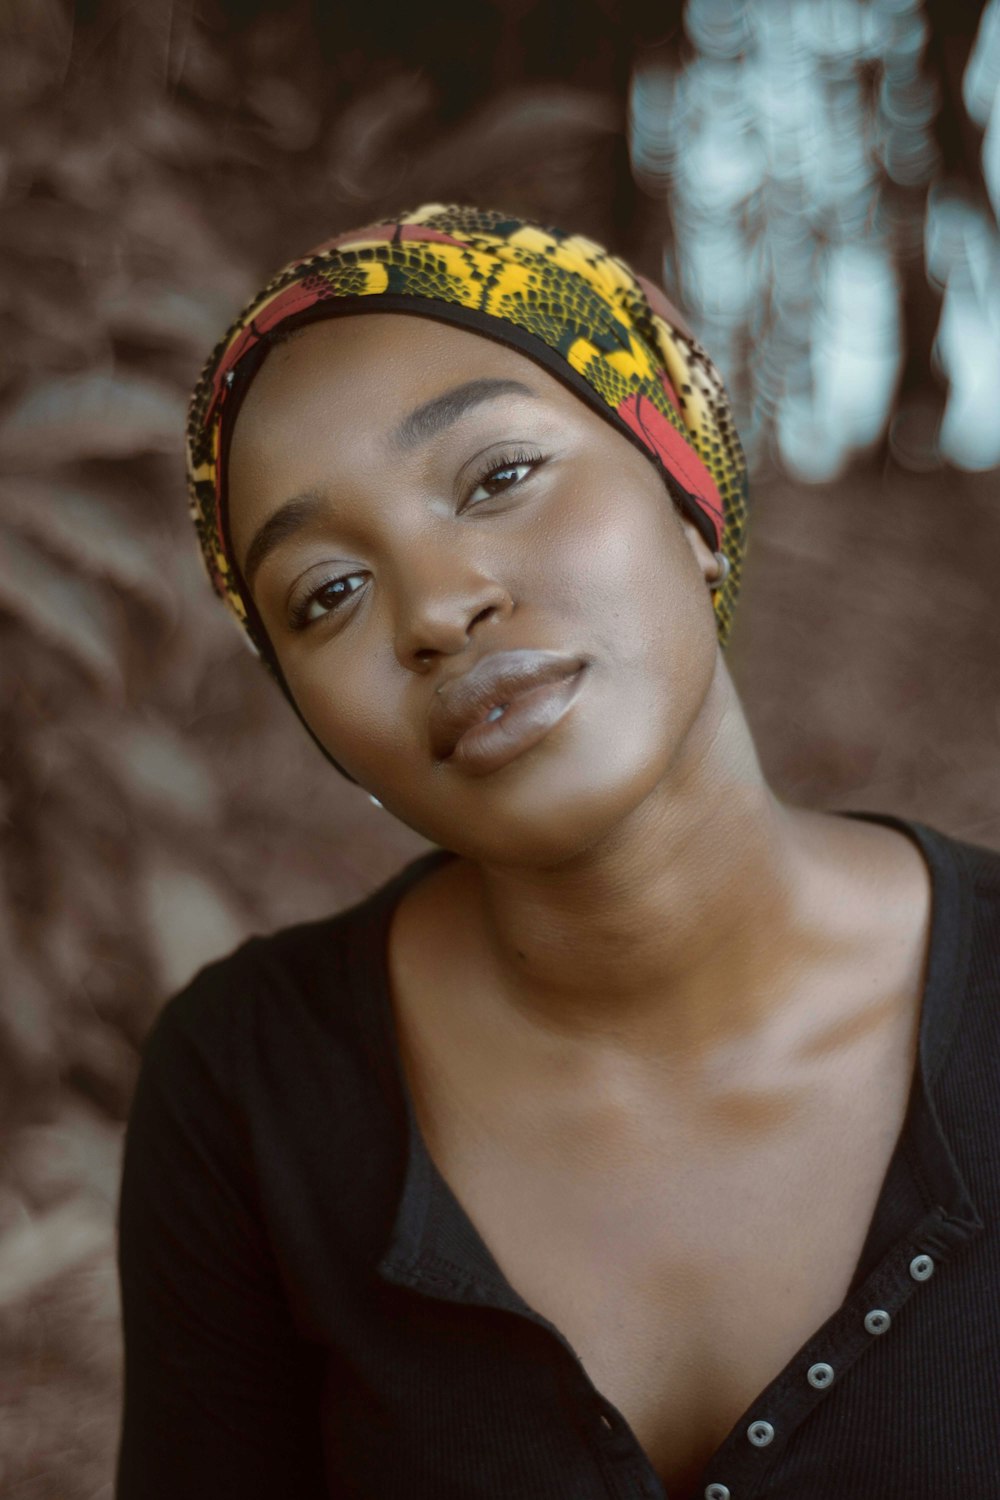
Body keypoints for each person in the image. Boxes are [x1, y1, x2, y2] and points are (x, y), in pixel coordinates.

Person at [114, 204, 1000, 1500]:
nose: (436, 606)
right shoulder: (250, 1094)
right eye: (327, 593)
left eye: (497, 478)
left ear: (686, 497)